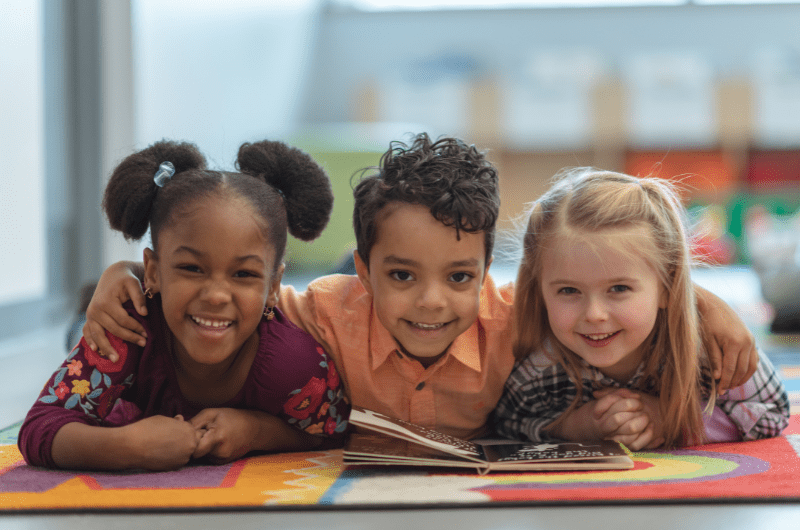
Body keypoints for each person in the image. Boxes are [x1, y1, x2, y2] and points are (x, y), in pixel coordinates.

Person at [79, 134, 759, 440]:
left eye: (460, 277)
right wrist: (122, 276)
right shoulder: (323, 309)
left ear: (487, 273)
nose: (432, 301)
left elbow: (605, 290)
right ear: (365, 271)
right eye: (402, 276)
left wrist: (703, 302)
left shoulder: (518, 319)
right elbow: (230, 292)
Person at [18, 140, 349, 471]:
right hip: (126, 334)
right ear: (152, 271)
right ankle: (88, 307)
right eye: (192, 268)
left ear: (274, 287)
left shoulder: (294, 363)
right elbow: (40, 426)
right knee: (84, 332)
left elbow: (333, 430)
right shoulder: (126, 328)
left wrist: (256, 431)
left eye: (244, 274)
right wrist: (123, 447)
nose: (217, 296)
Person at [492, 168, 790, 450]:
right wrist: (574, 428)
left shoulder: (709, 347)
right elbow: (506, 422)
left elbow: (772, 411)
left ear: (666, 286)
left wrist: (676, 422)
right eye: (569, 290)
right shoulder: (542, 362)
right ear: (539, 290)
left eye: (619, 289)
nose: (594, 314)